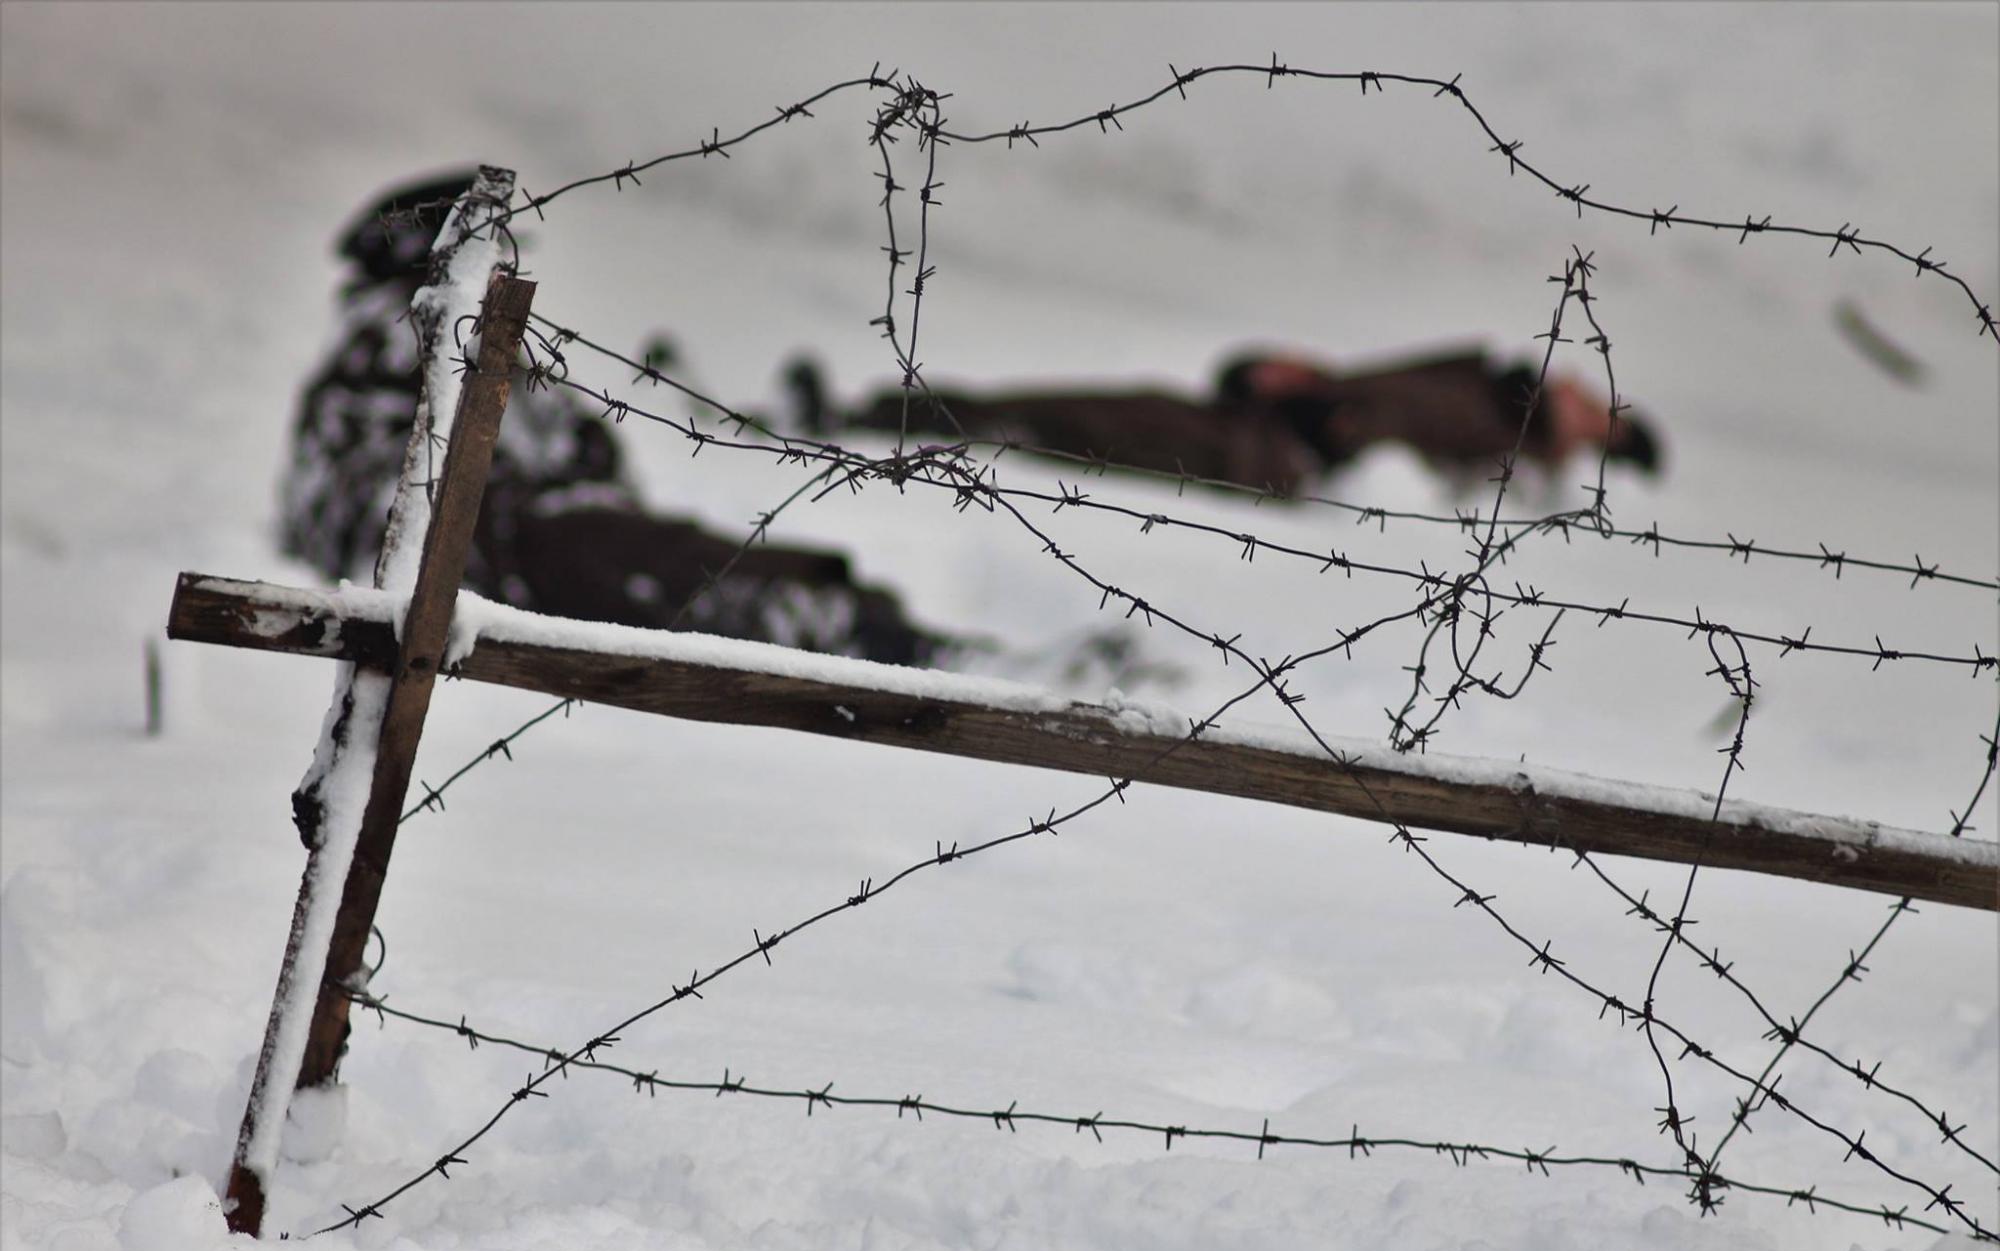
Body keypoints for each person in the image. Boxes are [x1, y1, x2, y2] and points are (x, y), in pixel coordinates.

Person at [278, 171, 954, 667]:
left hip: (572, 545)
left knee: (686, 559)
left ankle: (874, 626)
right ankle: (865, 636)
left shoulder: (494, 362)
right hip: (510, 573)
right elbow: (371, 522)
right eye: (488, 256)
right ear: (436, 264)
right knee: (676, 578)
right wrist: (510, 519)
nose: (507, 270)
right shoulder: (385, 365)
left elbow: (593, 456)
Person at [791, 342, 1660, 496]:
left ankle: (877, 427)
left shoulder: (1509, 459)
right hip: (1251, 422)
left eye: (1601, 409)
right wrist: (1269, 369)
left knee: (1062, 427)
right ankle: (875, 413)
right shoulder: (1477, 380)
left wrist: (1331, 428)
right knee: (1075, 403)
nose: (1581, 385)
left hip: (1265, 460)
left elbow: (1388, 473)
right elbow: (1344, 384)